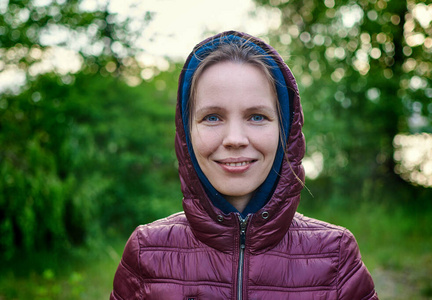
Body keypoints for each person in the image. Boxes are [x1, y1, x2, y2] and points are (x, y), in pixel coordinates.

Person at [110, 31, 378, 300]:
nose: (235, 139)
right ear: (186, 132)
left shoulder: (336, 255)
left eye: (257, 116)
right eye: (213, 117)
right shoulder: (145, 253)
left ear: (285, 130)